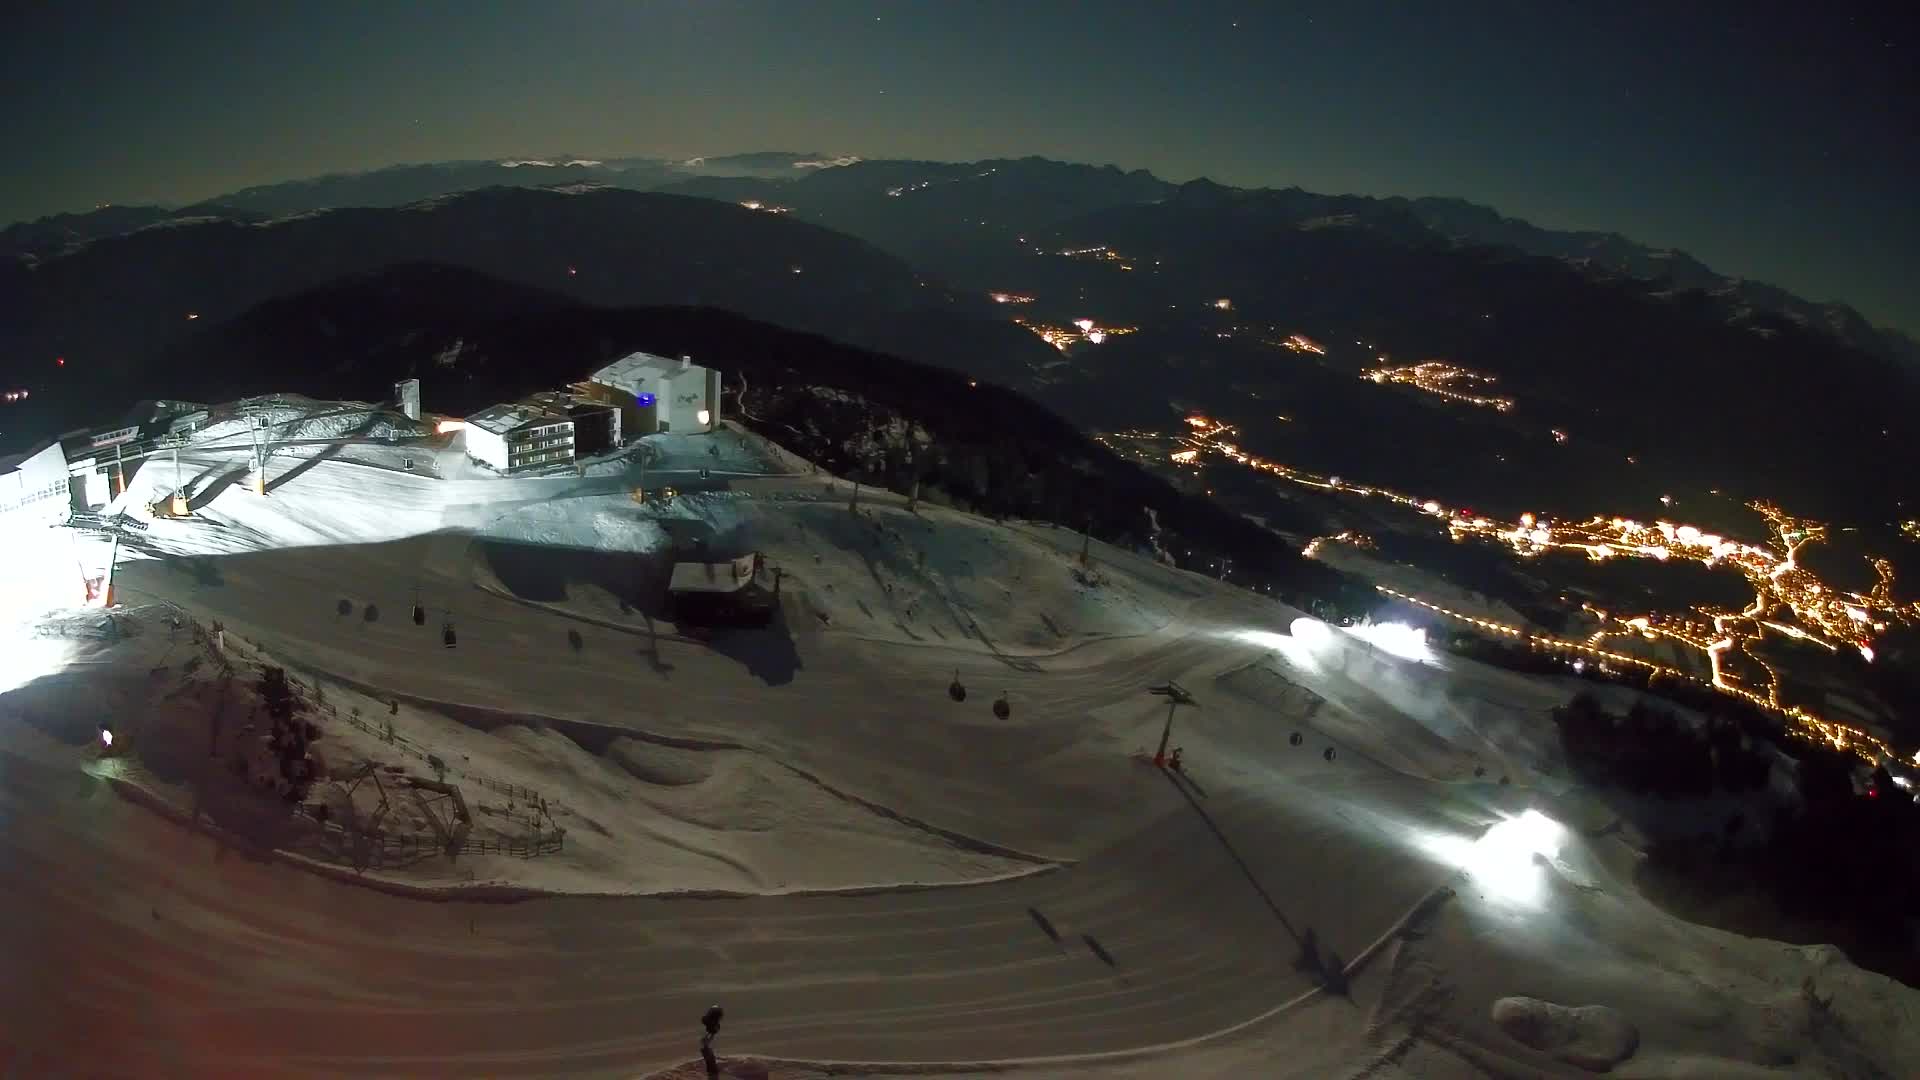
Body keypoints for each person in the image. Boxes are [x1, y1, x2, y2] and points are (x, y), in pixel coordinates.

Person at [700, 1004, 724, 1077]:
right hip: (711, 1022)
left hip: (710, 1022)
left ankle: (706, 1044)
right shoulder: (713, 1025)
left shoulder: (710, 1022)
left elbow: (710, 1032)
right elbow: (711, 1032)